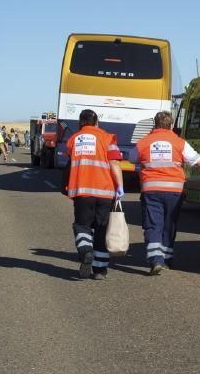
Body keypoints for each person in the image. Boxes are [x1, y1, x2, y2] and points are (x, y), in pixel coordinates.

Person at [136, 111, 200, 275]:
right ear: (172, 124)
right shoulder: (179, 142)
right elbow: (199, 162)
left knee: (153, 224)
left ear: (155, 124)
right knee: (169, 224)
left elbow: (133, 157)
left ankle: (156, 259)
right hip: (174, 191)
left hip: (151, 189)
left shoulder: (144, 142)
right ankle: (167, 259)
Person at [64, 109, 123, 280]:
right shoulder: (108, 138)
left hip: (82, 190)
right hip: (105, 191)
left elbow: (70, 160)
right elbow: (114, 163)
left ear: (80, 122)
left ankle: (85, 251)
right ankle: (100, 270)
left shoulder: (73, 140)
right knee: (101, 230)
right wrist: (120, 185)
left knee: (82, 226)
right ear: (97, 122)